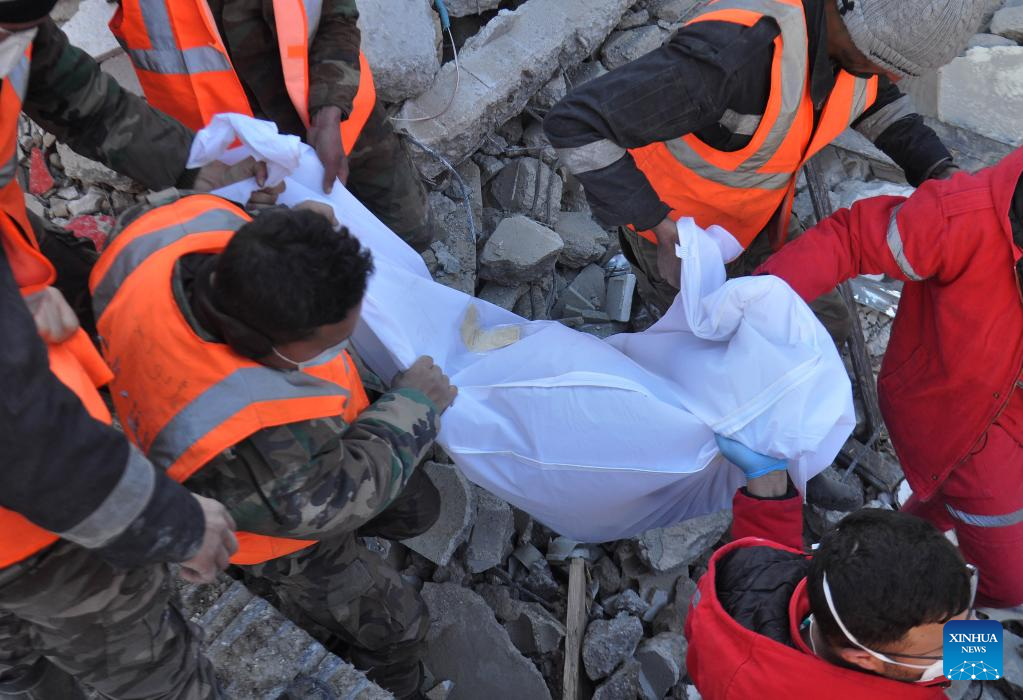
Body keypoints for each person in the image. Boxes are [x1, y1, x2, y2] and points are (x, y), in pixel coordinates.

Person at [90, 192, 457, 698]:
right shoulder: (248, 434)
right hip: (282, 535)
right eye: (329, 342)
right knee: (399, 625)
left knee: (418, 509)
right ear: (273, 348)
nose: (339, 346)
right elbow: (333, 497)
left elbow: (247, 224)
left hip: (288, 465)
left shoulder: (167, 230)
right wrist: (415, 406)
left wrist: (293, 232)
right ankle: (390, 681)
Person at [0, 1, 248, 696]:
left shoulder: (15, 31)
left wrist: (191, 165)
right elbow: (22, 437)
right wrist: (167, 522)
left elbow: (68, 86)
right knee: (149, 672)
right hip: (27, 531)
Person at [543, 0, 994, 339]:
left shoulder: (854, 54)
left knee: (821, 326)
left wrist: (939, 169)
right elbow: (576, 124)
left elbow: (876, 101)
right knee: (700, 343)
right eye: (880, 63)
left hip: (758, 218)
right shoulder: (733, 57)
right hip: (679, 235)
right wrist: (661, 231)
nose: (887, 77)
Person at [756, 146, 1023, 611]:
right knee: (1007, 587)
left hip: (988, 416)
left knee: (942, 510)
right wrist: (756, 302)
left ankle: (891, 555)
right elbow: (853, 239)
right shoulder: (963, 217)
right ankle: (956, 648)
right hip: (964, 426)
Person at [111, 0, 435, 251]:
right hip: (236, 166)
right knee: (306, 271)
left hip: (344, 120)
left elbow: (337, 15)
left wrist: (329, 111)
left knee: (412, 234)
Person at [685, 438, 975, 698]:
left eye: (966, 620)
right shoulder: (752, 688)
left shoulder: (832, 589)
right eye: (942, 650)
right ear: (863, 659)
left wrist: (768, 483)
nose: (969, 639)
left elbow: (769, 572)